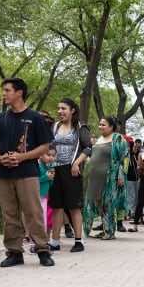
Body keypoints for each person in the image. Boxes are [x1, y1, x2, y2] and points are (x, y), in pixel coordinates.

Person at [0, 78, 54, 267]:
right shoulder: (0, 119)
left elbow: (44, 146)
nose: (4, 93)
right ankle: (14, 252)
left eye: (7, 90)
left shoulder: (35, 117)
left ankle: (42, 250)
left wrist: (22, 157)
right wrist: (0, 158)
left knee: (33, 213)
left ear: (19, 92)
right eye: (3, 90)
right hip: (4, 174)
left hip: (28, 173)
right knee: (9, 215)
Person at [48, 98, 92, 253]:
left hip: (72, 170)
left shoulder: (80, 127)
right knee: (57, 206)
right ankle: (54, 241)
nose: (60, 111)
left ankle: (79, 240)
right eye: (59, 108)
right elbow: (50, 146)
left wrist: (76, 163)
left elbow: (88, 148)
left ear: (72, 110)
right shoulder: (55, 127)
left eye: (64, 108)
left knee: (74, 206)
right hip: (55, 169)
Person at [84, 116, 130, 240]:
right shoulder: (98, 139)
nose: (100, 127)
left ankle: (110, 232)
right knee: (98, 203)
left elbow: (124, 158)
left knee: (108, 204)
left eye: (103, 125)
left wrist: (121, 175)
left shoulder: (118, 139)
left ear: (111, 126)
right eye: (99, 124)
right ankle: (105, 228)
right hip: (94, 178)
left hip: (109, 178)